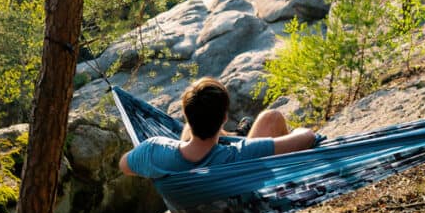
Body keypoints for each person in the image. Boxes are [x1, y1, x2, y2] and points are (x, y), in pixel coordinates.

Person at [119, 77, 317, 178]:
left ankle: (232, 134)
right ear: (224, 117)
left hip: (194, 212)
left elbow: (124, 166)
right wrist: (300, 130)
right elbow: (307, 137)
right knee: (271, 117)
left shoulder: (154, 151)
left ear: (187, 116)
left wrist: (159, 169)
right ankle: (235, 134)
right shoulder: (241, 154)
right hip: (242, 197)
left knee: (194, 139)